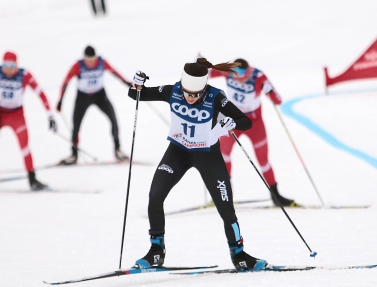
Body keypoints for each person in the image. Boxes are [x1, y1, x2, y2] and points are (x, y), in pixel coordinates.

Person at [128, 58, 267, 271]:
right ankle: (156, 251)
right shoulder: (173, 90)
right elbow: (136, 94)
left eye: (195, 94)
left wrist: (231, 123)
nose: (190, 98)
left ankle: (238, 253)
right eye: (187, 93)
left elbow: (245, 122)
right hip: (178, 152)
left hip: (207, 156)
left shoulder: (215, 97)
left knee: (226, 208)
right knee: (155, 196)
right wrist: (136, 85)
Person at [209, 58, 297, 207]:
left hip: (254, 124)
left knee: (263, 160)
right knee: (223, 154)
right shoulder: (227, 71)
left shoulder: (258, 76)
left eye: (243, 75)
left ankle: (276, 196)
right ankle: (224, 193)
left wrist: (270, 91)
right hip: (233, 121)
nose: (240, 78)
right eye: (236, 74)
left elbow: (278, 101)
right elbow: (208, 73)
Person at [0, 51, 57, 190]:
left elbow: (40, 93)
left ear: (16, 64)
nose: (8, 68)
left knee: (25, 147)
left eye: (12, 65)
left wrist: (50, 115)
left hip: (16, 116)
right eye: (5, 65)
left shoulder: (24, 75)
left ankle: (32, 180)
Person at [57, 45, 130, 164]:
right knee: (76, 126)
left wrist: (126, 82)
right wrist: (60, 101)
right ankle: (74, 154)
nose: (91, 63)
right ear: (84, 58)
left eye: (93, 60)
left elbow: (115, 72)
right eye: (88, 60)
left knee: (113, 120)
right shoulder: (77, 65)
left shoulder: (102, 62)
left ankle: (118, 150)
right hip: (83, 97)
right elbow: (65, 82)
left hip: (100, 96)